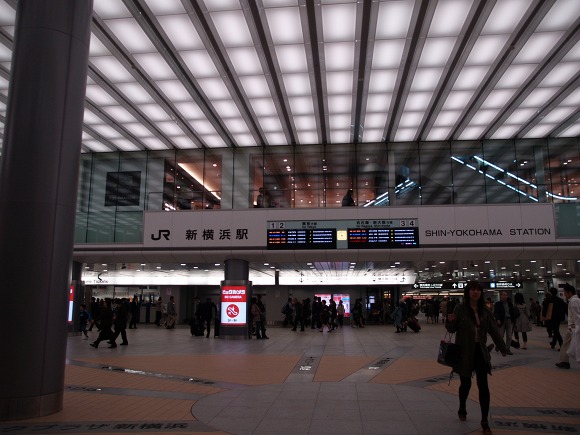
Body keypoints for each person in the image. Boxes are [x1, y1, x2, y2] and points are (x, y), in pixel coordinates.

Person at [446, 281, 507, 434]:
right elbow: (452, 329)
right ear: (467, 292)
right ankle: (462, 406)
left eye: (478, 290)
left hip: (480, 351)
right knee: (465, 383)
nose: (475, 292)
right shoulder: (460, 308)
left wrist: (503, 347)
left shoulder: (485, 311)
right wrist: (449, 320)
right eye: (472, 289)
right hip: (465, 351)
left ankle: (484, 420)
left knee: (483, 385)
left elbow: (493, 330)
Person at [556, 284, 580, 369]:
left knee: (566, 344)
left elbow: (576, 315)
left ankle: (564, 362)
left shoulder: (573, 301)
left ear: (570, 293)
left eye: (565, 293)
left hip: (574, 327)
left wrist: (574, 326)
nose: (564, 295)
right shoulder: (577, 300)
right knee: (567, 343)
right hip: (574, 326)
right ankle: (564, 361)